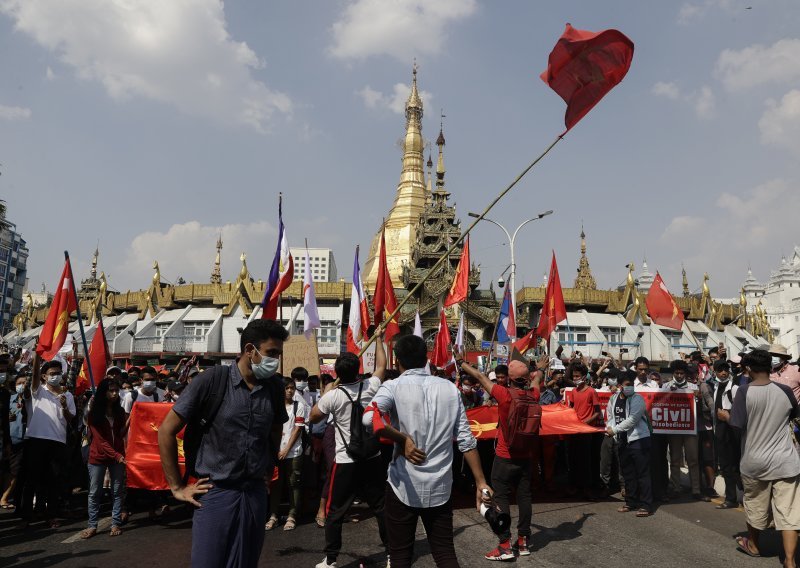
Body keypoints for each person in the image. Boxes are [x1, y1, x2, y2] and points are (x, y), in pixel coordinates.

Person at [158, 319, 289, 568]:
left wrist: (267, 465)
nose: (276, 360)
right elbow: (166, 430)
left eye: (278, 354)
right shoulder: (213, 381)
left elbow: (275, 427)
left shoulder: (274, 387)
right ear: (250, 350)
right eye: (272, 353)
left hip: (254, 493)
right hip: (215, 492)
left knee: (245, 562)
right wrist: (176, 487)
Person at [364, 334, 492, 568]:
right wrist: (481, 482)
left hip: (403, 484)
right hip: (440, 486)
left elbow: (369, 418)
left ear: (397, 360)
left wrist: (400, 438)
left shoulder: (391, 387)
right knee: (444, 552)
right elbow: (466, 439)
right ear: (426, 357)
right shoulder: (449, 389)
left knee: (400, 555)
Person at [309, 338, 388, 568]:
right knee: (380, 507)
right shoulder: (371, 386)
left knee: (335, 512)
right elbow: (381, 366)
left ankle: (331, 559)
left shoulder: (334, 395)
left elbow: (314, 416)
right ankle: (392, 553)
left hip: (345, 460)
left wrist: (326, 391)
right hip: (372, 457)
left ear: (337, 373)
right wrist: (380, 341)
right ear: (358, 370)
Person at [461, 359, 541, 560]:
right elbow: (538, 378)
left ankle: (504, 545)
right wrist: (539, 368)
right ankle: (523, 542)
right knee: (525, 497)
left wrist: (462, 362)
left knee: (500, 499)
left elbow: (479, 376)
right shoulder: (534, 394)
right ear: (527, 378)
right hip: (526, 457)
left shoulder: (504, 394)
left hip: (505, 456)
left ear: (509, 378)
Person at [729, 349, 800, 566]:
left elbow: (736, 426)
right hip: (786, 461)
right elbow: (794, 416)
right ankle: (789, 561)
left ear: (748, 369)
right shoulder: (786, 391)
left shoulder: (743, 392)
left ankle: (755, 545)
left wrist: (726, 416)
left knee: (755, 507)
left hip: (754, 462)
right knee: (789, 514)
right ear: (770, 367)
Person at [18, 355, 75, 527]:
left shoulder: (68, 395)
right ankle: (27, 516)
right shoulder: (38, 391)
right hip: (36, 440)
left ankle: (51, 515)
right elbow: (34, 376)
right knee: (32, 479)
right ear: (44, 376)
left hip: (58, 441)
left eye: (58, 373)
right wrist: (36, 356)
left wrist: (64, 406)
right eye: (52, 373)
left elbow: (70, 419)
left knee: (53, 481)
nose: (55, 376)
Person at [81, 378, 128, 539]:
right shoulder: (94, 413)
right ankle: (92, 525)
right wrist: (118, 455)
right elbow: (100, 441)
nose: (115, 393)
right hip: (99, 457)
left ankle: (115, 523)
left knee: (117, 491)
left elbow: (121, 434)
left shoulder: (120, 411)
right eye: (111, 390)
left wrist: (129, 422)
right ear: (103, 392)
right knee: (94, 492)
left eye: (117, 390)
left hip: (117, 456)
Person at [605, 372, 652, 516]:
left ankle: (646, 505)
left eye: (631, 384)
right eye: (627, 385)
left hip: (638, 440)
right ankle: (631, 502)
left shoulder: (637, 399)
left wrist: (615, 430)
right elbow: (611, 416)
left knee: (642, 473)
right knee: (628, 473)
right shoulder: (613, 398)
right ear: (619, 386)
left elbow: (632, 420)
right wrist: (611, 430)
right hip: (622, 440)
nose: (630, 387)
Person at [266, 377, 308, 531]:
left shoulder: (299, 406)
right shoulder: (274, 407)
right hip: (276, 453)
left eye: (292, 388)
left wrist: (285, 450)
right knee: (275, 484)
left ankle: (292, 515)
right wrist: (276, 450)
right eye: (287, 388)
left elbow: (297, 430)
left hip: (294, 452)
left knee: (293, 484)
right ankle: (273, 515)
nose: (290, 391)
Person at [664, 360, 708, 501]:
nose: (679, 375)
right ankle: (675, 488)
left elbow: (700, 408)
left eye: (681, 373)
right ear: (673, 373)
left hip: (690, 428)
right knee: (675, 460)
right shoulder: (666, 386)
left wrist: (698, 398)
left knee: (693, 459)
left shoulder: (693, 387)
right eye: (676, 373)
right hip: (674, 429)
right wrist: (668, 395)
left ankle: (696, 489)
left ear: (685, 374)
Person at [566, 363, 602, 499]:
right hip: (574, 431)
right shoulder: (574, 392)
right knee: (573, 460)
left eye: (577, 376)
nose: (575, 378)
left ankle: (587, 488)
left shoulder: (591, 392)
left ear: (584, 377)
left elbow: (597, 413)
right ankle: (574, 487)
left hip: (586, 433)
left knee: (585, 461)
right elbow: (571, 409)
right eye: (574, 376)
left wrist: (585, 422)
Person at [711, 360, 740, 509]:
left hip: (731, 431)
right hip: (720, 431)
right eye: (719, 370)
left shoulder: (733, 388)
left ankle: (733, 497)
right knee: (725, 466)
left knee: (733, 466)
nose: (723, 373)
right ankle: (731, 498)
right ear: (715, 372)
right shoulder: (716, 386)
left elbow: (740, 410)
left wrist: (727, 415)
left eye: (725, 370)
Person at [1, 373, 27, 509]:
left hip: (21, 442)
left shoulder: (31, 402)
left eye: (25, 383)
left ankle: (4, 498)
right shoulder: (8, 399)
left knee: (14, 472)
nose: (22, 385)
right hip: (6, 440)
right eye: (19, 383)